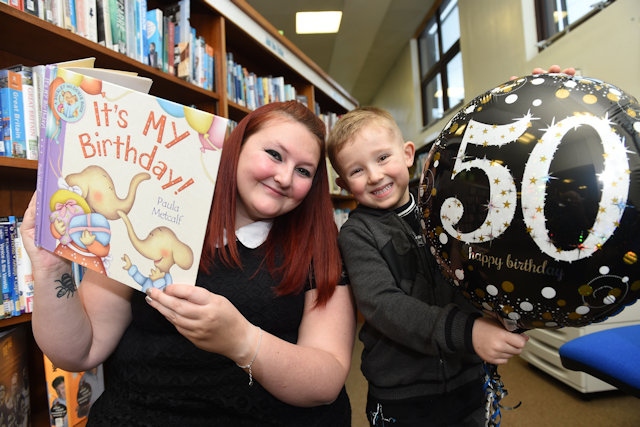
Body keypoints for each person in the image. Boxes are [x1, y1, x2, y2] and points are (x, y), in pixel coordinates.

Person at [21, 100, 356, 426]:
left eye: (303, 171)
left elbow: (325, 380)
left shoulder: (317, 246)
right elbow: (78, 352)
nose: (284, 177)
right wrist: (50, 269)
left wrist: (241, 340)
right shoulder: (154, 216)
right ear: (234, 148)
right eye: (274, 154)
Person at [325, 65, 574, 427]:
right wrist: (468, 332)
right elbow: (384, 306)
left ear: (408, 154)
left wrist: (545, 104)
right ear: (344, 184)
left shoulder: (447, 208)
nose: (375, 175)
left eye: (382, 158)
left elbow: (502, 233)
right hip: (402, 395)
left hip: (469, 379)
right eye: (357, 170)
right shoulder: (356, 234)